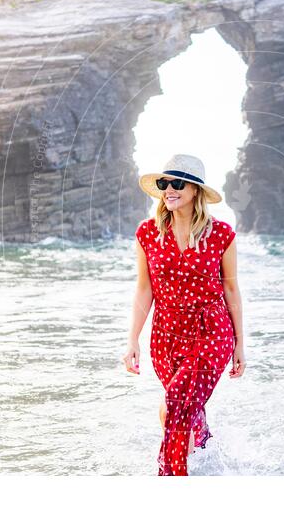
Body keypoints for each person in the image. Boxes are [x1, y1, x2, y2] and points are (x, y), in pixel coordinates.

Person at [122, 154, 246, 476]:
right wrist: (132, 338)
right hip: (165, 339)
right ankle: (202, 447)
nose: (169, 190)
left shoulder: (221, 235)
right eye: (164, 184)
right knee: (179, 411)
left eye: (177, 183)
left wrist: (239, 344)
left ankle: (171, 477)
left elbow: (231, 291)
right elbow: (144, 289)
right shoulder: (147, 234)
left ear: (195, 191)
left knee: (176, 404)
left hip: (211, 332)